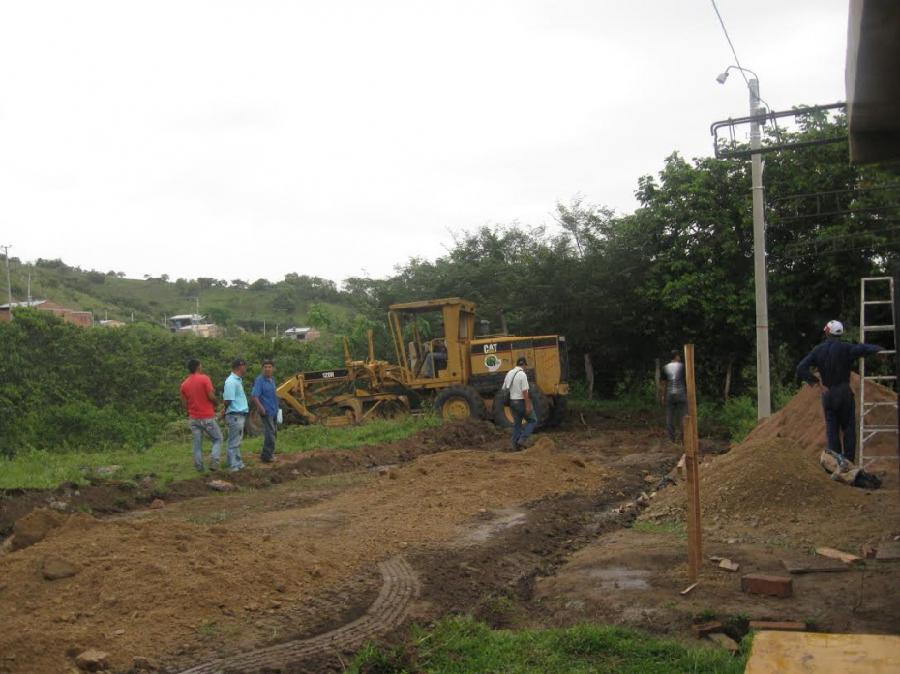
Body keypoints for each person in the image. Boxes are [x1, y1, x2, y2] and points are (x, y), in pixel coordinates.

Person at [796, 319, 884, 469]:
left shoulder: (818, 350)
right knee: (848, 428)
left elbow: (800, 368)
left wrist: (815, 381)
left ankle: (835, 464)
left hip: (828, 393)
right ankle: (848, 464)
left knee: (832, 431)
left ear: (827, 333)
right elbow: (862, 349)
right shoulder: (846, 348)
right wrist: (878, 350)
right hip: (844, 392)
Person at [179, 358, 223, 471]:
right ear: (198, 367)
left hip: (193, 418)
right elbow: (211, 396)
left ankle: (199, 466)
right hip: (207, 417)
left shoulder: (184, 384)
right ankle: (214, 462)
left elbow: (184, 404)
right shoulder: (205, 378)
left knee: (197, 444)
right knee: (218, 439)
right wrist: (217, 403)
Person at [502, 356, 537, 450]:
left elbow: (504, 388)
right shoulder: (522, 374)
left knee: (517, 424)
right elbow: (525, 392)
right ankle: (522, 440)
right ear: (524, 365)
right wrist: (528, 405)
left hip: (512, 403)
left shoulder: (509, 373)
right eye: (526, 366)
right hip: (521, 402)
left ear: (517, 364)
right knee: (533, 420)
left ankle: (515, 446)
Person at [222, 358, 249, 472]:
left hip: (239, 415)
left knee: (237, 441)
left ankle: (238, 463)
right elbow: (228, 400)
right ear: (239, 367)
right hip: (235, 415)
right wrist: (224, 411)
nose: (246, 368)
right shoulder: (231, 381)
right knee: (234, 441)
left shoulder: (237, 380)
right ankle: (233, 465)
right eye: (245, 366)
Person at [251, 359, 279, 463]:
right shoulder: (260, 380)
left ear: (273, 368)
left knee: (274, 432)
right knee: (270, 433)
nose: (267, 369)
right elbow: (254, 396)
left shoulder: (272, 380)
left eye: (269, 367)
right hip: (266, 411)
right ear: (262, 369)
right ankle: (266, 456)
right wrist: (260, 407)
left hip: (274, 410)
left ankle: (269, 453)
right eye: (265, 367)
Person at [661, 350, 687, 443]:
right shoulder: (682, 366)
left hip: (670, 394)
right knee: (684, 416)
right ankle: (684, 438)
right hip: (681, 394)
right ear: (676, 356)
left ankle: (671, 439)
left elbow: (664, 384)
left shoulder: (665, 367)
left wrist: (663, 396)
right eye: (679, 356)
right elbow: (687, 379)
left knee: (670, 417)